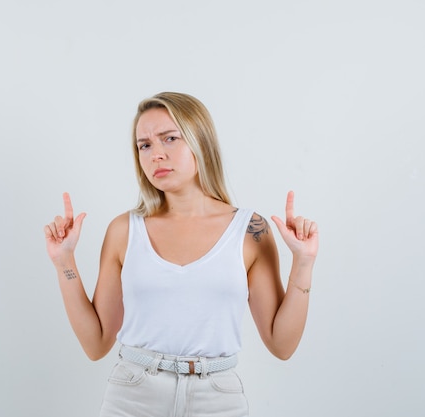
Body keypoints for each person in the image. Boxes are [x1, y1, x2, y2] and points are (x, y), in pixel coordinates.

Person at [44, 92, 319, 417]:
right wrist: (64, 262)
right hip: (133, 397)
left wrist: (304, 262)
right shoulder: (124, 230)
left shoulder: (250, 230)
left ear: (200, 142)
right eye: (144, 145)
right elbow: (96, 344)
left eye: (169, 139)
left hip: (217, 399)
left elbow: (282, 345)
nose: (155, 154)